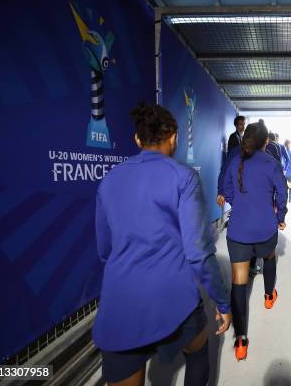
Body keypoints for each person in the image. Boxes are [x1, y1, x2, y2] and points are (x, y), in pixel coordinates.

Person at [94, 103, 232, 386]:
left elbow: (104, 250)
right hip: (175, 300)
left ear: (137, 140)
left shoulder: (109, 181)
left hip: (121, 306)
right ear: (174, 137)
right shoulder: (183, 177)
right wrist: (222, 301)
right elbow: (198, 254)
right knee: (198, 352)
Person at [222, 121, 288, 361]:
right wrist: (280, 216)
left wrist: (238, 204)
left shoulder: (234, 162)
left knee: (239, 281)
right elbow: (282, 193)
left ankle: (240, 341)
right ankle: (269, 296)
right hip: (265, 228)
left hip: (238, 230)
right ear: (265, 142)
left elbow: (226, 190)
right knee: (269, 257)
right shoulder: (272, 163)